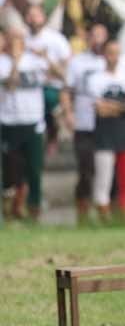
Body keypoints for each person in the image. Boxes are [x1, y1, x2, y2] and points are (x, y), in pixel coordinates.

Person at [0, 27, 55, 221]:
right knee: (10, 171)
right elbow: (11, 84)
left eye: (19, 39)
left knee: (34, 170)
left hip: (33, 123)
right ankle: (10, 210)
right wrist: (15, 61)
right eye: (12, 39)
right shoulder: (3, 63)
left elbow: (59, 77)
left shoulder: (35, 61)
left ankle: (33, 210)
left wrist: (46, 58)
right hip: (9, 123)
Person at [88, 38, 125, 222]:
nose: (114, 57)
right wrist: (124, 106)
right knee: (104, 178)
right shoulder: (96, 79)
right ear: (104, 54)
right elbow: (100, 110)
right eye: (110, 53)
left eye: (117, 53)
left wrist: (112, 106)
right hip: (104, 136)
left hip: (124, 134)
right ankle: (103, 214)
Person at [61, 23, 108, 223]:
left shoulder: (112, 61)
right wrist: (68, 113)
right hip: (84, 123)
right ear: (88, 38)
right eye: (94, 35)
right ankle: (83, 210)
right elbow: (66, 90)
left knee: (106, 170)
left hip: (107, 125)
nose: (97, 40)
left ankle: (107, 210)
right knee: (86, 169)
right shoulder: (78, 62)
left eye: (101, 36)